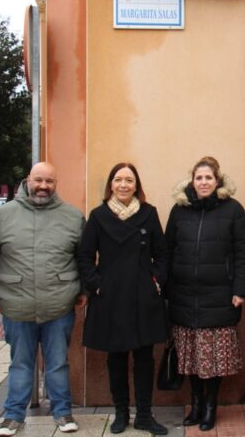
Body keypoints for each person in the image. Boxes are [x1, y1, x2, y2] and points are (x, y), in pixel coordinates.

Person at [0, 162, 86, 436]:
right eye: (38, 180)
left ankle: (62, 412)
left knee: (57, 363)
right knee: (20, 363)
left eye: (49, 181)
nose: (43, 186)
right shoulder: (3, 215)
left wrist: (83, 291)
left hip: (59, 303)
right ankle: (12, 416)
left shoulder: (72, 217)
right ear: (27, 180)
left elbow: (83, 259)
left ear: (56, 184)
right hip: (16, 304)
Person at [78, 162, 169, 435]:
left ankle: (144, 415)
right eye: (118, 180)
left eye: (129, 180)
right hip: (110, 298)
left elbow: (162, 255)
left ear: (136, 186)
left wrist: (155, 281)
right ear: (111, 185)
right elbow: (84, 257)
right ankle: (120, 413)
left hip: (143, 298)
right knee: (115, 359)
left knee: (144, 359)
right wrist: (97, 285)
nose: (123, 185)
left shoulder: (149, 214)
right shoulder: (98, 216)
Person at [165, 157, 245, 431]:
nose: (203, 182)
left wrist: (240, 289)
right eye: (199, 178)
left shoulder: (233, 210)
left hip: (220, 294)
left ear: (218, 181)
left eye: (208, 178)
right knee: (190, 355)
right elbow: (168, 251)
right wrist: (166, 288)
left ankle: (211, 405)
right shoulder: (179, 210)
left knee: (213, 359)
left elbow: (243, 253)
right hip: (183, 294)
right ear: (193, 181)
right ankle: (196, 404)